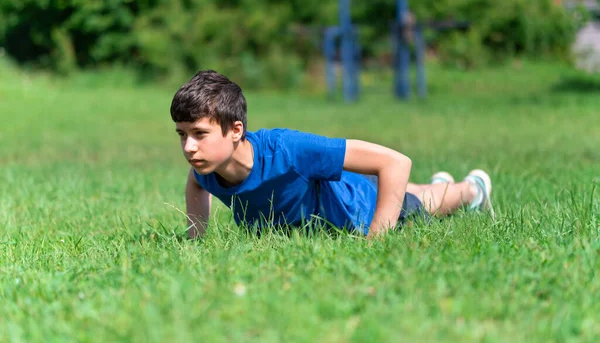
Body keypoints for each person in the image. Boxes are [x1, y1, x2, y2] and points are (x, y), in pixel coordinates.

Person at [170, 70, 494, 240]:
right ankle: (440, 183)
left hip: (361, 210)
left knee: (424, 205)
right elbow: (196, 183)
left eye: (200, 134)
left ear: (236, 130)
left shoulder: (288, 151)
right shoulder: (206, 167)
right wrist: (196, 238)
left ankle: (471, 189)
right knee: (412, 191)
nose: (189, 147)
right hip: (345, 187)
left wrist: (376, 242)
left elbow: (396, 162)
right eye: (182, 135)